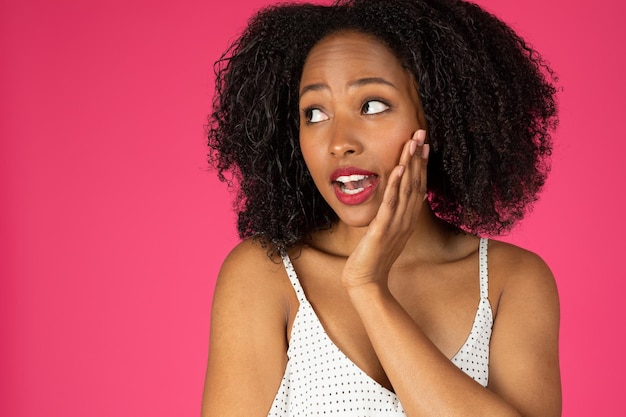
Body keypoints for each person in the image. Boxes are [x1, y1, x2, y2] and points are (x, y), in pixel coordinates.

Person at [201, 0, 560, 416]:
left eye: (371, 105)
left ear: (439, 115)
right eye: (314, 112)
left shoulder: (508, 281)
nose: (339, 141)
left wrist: (368, 288)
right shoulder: (265, 274)